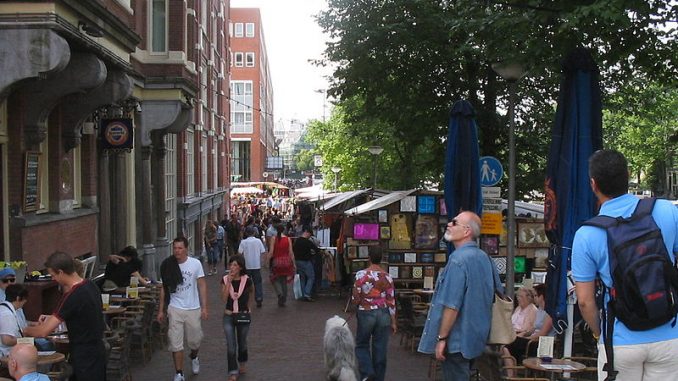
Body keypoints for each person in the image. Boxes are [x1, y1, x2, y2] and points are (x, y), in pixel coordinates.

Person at [573, 149, 678, 380]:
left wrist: (600, 333)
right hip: (670, 335)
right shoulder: (667, 211)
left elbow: (584, 301)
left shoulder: (587, 234)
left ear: (593, 184)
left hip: (620, 340)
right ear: (628, 175)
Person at [418, 211, 500, 381]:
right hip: (477, 337)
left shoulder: (457, 261)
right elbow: (495, 294)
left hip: (457, 340)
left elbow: (452, 305)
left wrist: (442, 338)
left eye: (454, 222)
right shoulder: (485, 258)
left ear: (466, 231)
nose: (449, 224)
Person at [23, 251, 106, 380]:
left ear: (61, 272)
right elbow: (81, 315)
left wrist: (24, 329)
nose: (53, 279)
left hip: (83, 355)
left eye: (53, 275)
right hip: (98, 350)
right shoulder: (91, 285)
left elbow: (43, 332)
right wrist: (51, 318)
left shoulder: (72, 295)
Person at [158, 237, 209, 381]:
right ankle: (179, 372)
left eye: (180, 248)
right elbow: (164, 288)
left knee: (195, 340)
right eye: (175, 248)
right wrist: (161, 310)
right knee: (176, 343)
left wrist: (204, 307)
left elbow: (202, 285)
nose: (177, 251)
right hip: (175, 308)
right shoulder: (168, 265)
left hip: (193, 308)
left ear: (186, 248)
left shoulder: (195, 264)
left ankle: (194, 355)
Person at [352, 246, 397, 381]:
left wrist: (357, 305)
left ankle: (367, 372)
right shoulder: (387, 277)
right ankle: (378, 378)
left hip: (366, 312)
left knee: (362, 344)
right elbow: (391, 300)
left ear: (369, 258)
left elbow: (356, 296)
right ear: (381, 258)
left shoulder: (361, 275)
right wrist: (393, 321)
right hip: (383, 313)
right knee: (380, 348)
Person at [502, 285, 554, 373]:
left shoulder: (549, 312)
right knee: (506, 346)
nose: (534, 298)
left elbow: (543, 333)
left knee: (506, 346)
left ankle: (511, 374)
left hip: (540, 343)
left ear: (542, 297)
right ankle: (512, 372)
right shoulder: (540, 310)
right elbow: (533, 329)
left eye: (536, 296)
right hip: (532, 339)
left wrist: (527, 338)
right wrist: (525, 334)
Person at [221, 255, 254, 381]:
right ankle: (233, 372)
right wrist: (229, 282)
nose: (232, 268)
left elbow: (252, 292)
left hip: (243, 315)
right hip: (228, 315)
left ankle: (242, 361)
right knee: (231, 345)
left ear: (240, 267)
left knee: (242, 342)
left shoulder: (247, 280)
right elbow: (223, 298)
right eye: (230, 265)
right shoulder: (224, 279)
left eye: (235, 265)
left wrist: (249, 307)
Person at [268, 223, 296, 307]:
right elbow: (291, 252)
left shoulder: (273, 238)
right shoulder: (288, 239)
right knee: (284, 281)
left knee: (274, 278)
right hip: (286, 262)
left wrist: (267, 260)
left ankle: (280, 293)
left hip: (277, 262)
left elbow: (271, 252)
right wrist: (293, 263)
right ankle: (283, 299)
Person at [238, 226, 267, 308]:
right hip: (256, 265)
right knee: (258, 283)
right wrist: (264, 262)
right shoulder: (258, 241)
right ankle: (259, 298)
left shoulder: (243, 242)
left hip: (247, 266)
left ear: (246, 233)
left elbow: (239, 254)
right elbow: (263, 252)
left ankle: (245, 299)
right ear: (254, 233)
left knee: (245, 283)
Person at [0, 284, 29, 356]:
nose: (25, 302)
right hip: (5, 354)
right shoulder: (7, 314)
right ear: (18, 298)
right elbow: (6, 340)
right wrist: (26, 341)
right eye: (25, 299)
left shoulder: (4, 309)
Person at [293, 225, 320, 302]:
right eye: (310, 235)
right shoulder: (308, 242)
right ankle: (307, 294)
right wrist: (312, 254)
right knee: (311, 277)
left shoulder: (297, 241)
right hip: (306, 262)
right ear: (307, 233)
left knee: (302, 278)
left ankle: (302, 293)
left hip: (298, 261)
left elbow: (293, 250)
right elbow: (316, 250)